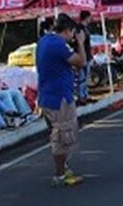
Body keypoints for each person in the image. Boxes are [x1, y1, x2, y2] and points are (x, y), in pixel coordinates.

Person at [37, 14, 87, 187]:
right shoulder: (59, 45)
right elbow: (81, 62)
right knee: (62, 137)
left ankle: (63, 168)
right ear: (67, 30)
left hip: (46, 95)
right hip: (60, 97)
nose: (73, 36)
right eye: (73, 33)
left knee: (56, 134)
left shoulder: (44, 41)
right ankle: (59, 175)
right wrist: (80, 42)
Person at [73, 10, 94, 106]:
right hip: (82, 56)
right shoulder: (79, 29)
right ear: (86, 17)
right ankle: (81, 96)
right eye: (89, 17)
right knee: (81, 76)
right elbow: (79, 43)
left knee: (86, 77)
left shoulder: (86, 28)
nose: (91, 19)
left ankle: (86, 95)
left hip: (87, 55)